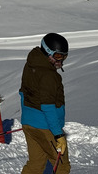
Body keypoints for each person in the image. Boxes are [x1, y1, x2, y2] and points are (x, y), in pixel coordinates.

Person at [19, 33, 71, 174]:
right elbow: (48, 108)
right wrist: (58, 135)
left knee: (35, 164)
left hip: (29, 125)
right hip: (45, 127)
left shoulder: (30, 64)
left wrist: (29, 119)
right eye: (58, 56)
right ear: (48, 52)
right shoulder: (50, 76)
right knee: (62, 165)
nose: (61, 61)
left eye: (64, 56)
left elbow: (23, 94)